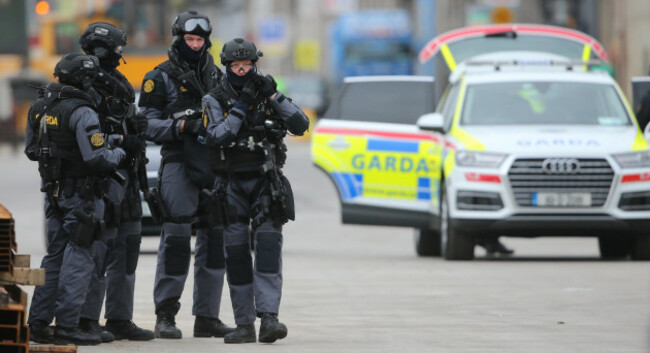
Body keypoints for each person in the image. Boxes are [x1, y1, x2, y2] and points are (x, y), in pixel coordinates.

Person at [24, 53, 137, 345]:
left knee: (54, 257)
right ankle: (67, 327)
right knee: (80, 258)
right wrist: (121, 152)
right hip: (83, 196)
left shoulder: (39, 106)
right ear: (85, 79)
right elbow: (97, 158)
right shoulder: (83, 111)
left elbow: (32, 150)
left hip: (53, 194)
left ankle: (37, 324)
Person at [203, 38, 309, 344]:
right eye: (236, 66)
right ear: (226, 67)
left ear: (254, 65)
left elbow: (301, 124)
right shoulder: (214, 98)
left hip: (265, 182)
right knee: (236, 255)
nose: (241, 70)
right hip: (231, 184)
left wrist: (274, 95)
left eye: (247, 65)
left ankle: (269, 319)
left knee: (267, 252)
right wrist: (242, 105)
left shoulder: (266, 92)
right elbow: (219, 136)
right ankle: (244, 324)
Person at [138, 10, 233, 339]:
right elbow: (144, 123)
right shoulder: (159, 77)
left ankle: (207, 316)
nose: (195, 45)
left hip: (214, 163)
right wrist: (180, 125)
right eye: (190, 39)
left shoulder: (217, 75)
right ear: (179, 40)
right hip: (179, 161)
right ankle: (165, 315)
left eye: (200, 40)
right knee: (177, 239)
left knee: (215, 238)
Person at [76, 22, 154, 342]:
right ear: (102, 49)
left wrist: (135, 136)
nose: (122, 53)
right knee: (98, 252)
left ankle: (120, 318)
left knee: (127, 250)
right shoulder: (86, 84)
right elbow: (88, 136)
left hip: (128, 177)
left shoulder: (118, 81)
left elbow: (127, 121)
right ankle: (86, 319)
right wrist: (120, 141)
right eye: (118, 47)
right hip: (102, 180)